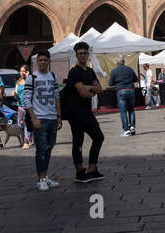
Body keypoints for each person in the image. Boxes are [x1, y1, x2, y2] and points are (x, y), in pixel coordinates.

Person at [63, 42, 106, 183]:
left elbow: (100, 89)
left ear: (88, 55)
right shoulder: (74, 72)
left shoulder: (90, 71)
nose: (83, 55)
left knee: (98, 137)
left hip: (86, 112)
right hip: (75, 112)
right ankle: (80, 172)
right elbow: (83, 94)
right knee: (78, 140)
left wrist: (88, 88)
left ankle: (92, 169)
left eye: (85, 53)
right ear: (76, 55)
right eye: (80, 53)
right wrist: (90, 88)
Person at [24, 51, 62, 191]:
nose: (42, 62)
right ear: (37, 62)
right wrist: (34, 118)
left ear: (49, 61)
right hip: (39, 118)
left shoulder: (53, 76)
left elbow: (56, 96)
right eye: (40, 60)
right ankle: (41, 179)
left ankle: (44, 176)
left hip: (52, 118)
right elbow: (26, 99)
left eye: (45, 60)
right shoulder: (32, 77)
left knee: (49, 148)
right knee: (41, 149)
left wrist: (59, 116)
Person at [109, 56, 139, 137]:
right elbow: (136, 79)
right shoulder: (130, 69)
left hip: (121, 91)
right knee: (131, 110)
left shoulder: (114, 71)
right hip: (131, 89)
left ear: (117, 63)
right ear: (124, 62)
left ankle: (126, 130)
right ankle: (132, 127)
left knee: (123, 111)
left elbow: (110, 83)